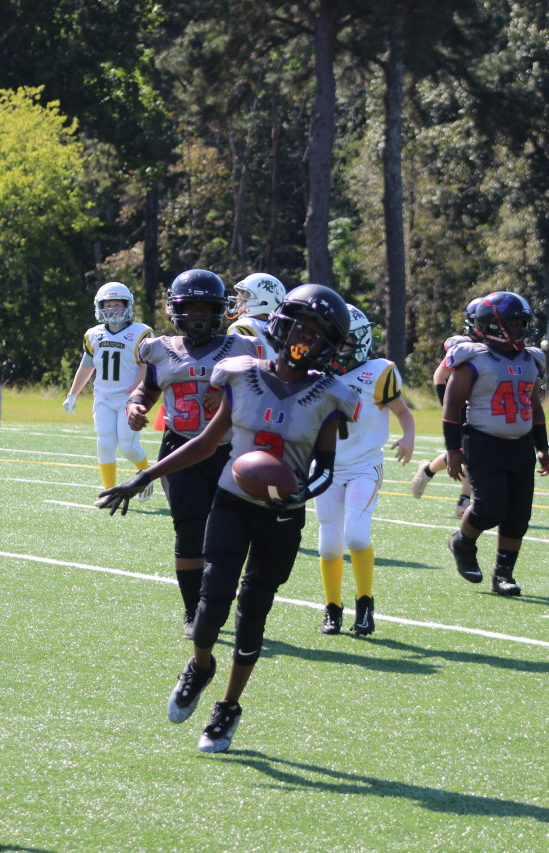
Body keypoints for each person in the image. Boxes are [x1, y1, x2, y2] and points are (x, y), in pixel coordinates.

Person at [98, 284, 359, 754]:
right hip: (233, 501)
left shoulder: (329, 394)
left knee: (252, 615)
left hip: (281, 518)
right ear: (281, 323)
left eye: (317, 331)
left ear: (331, 343)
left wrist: (299, 491)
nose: (305, 335)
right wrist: (142, 478)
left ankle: (228, 706)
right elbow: (201, 443)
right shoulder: (239, 374)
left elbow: (325, 468)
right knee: (210, 603)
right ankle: (200, 665)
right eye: (299, 323)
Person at [126, 269, 260, 638]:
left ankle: (216, 600)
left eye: (207, 307)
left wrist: (231, 393)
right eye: (191, 306)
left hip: (229, 449)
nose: (199, 314)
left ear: (220, 310)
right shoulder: (158, 349)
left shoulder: (241, 348)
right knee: (188, 533)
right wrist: (135, 407)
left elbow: (264, 391)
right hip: (179, 447)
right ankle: (192, 612)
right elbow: (146, 391)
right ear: (176, 309)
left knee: (226, 534)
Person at [315, 304, 414, 635]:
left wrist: (408, 437)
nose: (335, 349)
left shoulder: (380, 371)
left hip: (363, 466)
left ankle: (365, 602)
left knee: (356, 535)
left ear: (360, 340)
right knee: (329, 543)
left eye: (342, 342)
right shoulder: (314, 371)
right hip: (326, 466)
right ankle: (332, 608)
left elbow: (403, 412)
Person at [444, 291, 549, 597]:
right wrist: (453, 450)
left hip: (520, 444)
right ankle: (462, 541)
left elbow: (534, 406)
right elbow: (452, 406)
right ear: (491, 325)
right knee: (489, 508)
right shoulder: (472, 358)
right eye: (514, 323)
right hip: (483, 441)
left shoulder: (531, 359)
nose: (521, 328)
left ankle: (503, 574)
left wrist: (542, 446)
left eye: (522, 322)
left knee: (518, 515)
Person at [64, 281, 154, 498]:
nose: (113, 309)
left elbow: (146, 366)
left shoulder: (140, 332)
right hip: (103, 397)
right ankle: (108, 491)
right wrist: (72, 394)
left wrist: (137, 390)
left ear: (128, 306)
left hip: (128, 400)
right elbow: (86, 367)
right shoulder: (93, 334)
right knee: (104, 442)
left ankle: (146, 477)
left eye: (118, 304)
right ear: (100, 307)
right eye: (108, 305)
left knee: (128, 447)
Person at [411, 299, 477, 517]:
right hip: (464, 405)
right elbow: (439, 375)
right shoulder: (464, 346)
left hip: (482, 407)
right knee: (467, 452)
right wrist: (448, 405)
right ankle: (464, 500)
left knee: (471, 452)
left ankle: (428, 471)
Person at [226, 273, 286, 359]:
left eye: (244, 299)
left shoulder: (244, 326)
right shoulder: (283, 328)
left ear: (263, 303)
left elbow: (236, 368)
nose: (239, 303)